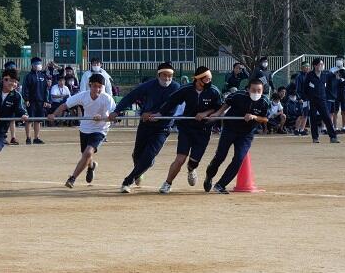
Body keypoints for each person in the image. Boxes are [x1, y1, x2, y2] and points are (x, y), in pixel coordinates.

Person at [108, 62, 180, 193]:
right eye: (164, 75)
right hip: (145, 125)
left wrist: (158, 114)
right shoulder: (149, 85)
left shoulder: (175, 87)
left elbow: (172, 106)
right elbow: (130, 97)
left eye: (170, 76)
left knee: (148, 156)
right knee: (137, 155)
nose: (167, 78)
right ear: (158, 75)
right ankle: (141, 170)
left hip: (162, 128)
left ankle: (127, 181)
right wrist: (117, 111)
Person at [154, 66, 222, 194]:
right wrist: (159, 113)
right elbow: (171, 102)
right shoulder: (186, 90)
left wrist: (205, 113)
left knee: (193, 161)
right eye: (206, 79)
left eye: (210, 79)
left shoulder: (214, 91)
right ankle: (167, 183)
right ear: (198, 79)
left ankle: (191, 169)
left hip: (203, 130)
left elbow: (218, 108)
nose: (209, 82)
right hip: (186, 128)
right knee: (180, 159)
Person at [48, 73, 116, 188]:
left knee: (88, 152)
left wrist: (103, 117)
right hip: (85, 128)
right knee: (86, 155)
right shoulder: (83, 96)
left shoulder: (107, 98)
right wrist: (53, 114)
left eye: (100, 86)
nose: (97, 89)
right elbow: (65, 105)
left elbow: (113, 116)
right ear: (90, 85)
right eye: (94, 86)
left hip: (100, 129)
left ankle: (72, 178)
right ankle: (91, 166)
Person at [203, 78, 270, 194]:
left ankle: (220, 185)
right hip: (230, 129)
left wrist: (254, 117)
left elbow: (265, 118)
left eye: (259, 90)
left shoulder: (264, 101)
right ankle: (209, 176)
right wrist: (217, 114)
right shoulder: (238, 95)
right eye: (253, 90)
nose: (256, 93)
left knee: (239, 158)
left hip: (246, 134)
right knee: (220, 156)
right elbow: (226, 104)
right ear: (248, 89)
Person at [303, 58, 340, 144]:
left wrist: (338, 74)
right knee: (313, 119)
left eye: (322, 64)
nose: (321, 66)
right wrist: (308, 97)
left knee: (327, 117)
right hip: (312, 100)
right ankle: (315, 138)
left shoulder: (325, 75)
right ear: (315, 66)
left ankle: (333, 137)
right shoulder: (310, 75)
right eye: (320, 64)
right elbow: (305, 88)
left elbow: (335, 75)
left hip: (323, 100)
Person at [22, 57, 48, 144]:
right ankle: (28, 138)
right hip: (31, 101)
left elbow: (45, 89)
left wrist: (46, 100)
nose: (38, 65)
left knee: (38, 120)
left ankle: (36, 138)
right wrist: (26, 99)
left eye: (40, 64)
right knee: (29, 120)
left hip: (40, 101)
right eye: (36, 64)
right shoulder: (28, 76)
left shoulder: (43, 76)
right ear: (32, 65)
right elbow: (25, 89)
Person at [294, 61, 311, 136]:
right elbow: (297, 89)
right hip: (301, 98)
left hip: (307, 98)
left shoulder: (310, 76)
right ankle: (296, 129)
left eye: (308, 66)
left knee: (306, 114)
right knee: (300, 115)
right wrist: (299, 98)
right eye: (305, 66)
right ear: (302, 67)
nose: (307, 68)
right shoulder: (299, 77)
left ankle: (302, 129)